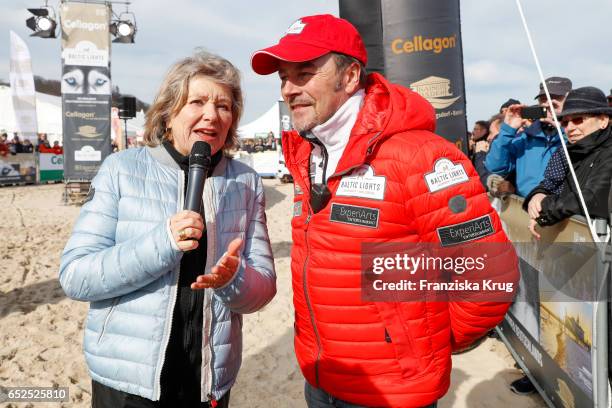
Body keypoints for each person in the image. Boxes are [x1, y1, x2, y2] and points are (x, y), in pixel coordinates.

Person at [251, 14, 517, 408]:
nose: (289, 89)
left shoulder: (420, 156)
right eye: (283, 77)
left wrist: (424, 345)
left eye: (304, 73)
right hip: (321, 380)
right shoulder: (307, 153)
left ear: (349, 77)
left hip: (392, 392)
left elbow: (488, 275)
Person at [59, 50, 277, 407]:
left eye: (224, 106)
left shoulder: (246, 182)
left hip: (207, 383)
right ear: (168, 112)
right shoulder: (121, 170)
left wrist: (233, 280)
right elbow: (76, 276)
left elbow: (264, 289)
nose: (212, 114)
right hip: (129, 385)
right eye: (198, 102)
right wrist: (163, 242)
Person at [524, 86, 612, 238]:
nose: (570, 128)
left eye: (578, 120)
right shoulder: (567, 153)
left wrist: (544, 210)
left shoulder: (609, 151)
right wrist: (537, 195)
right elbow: (550, 184)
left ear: (603, 120)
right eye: (564, 123)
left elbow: (592, 197)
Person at [485, 77, 572, 197]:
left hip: (563, 210)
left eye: (555, 99)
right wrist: (508, 130)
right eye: (543, 99)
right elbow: (496, 167)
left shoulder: (577, 134)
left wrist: (563, 129)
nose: (548, 103)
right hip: (526, 207)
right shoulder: (525, 137)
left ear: (569, 102)